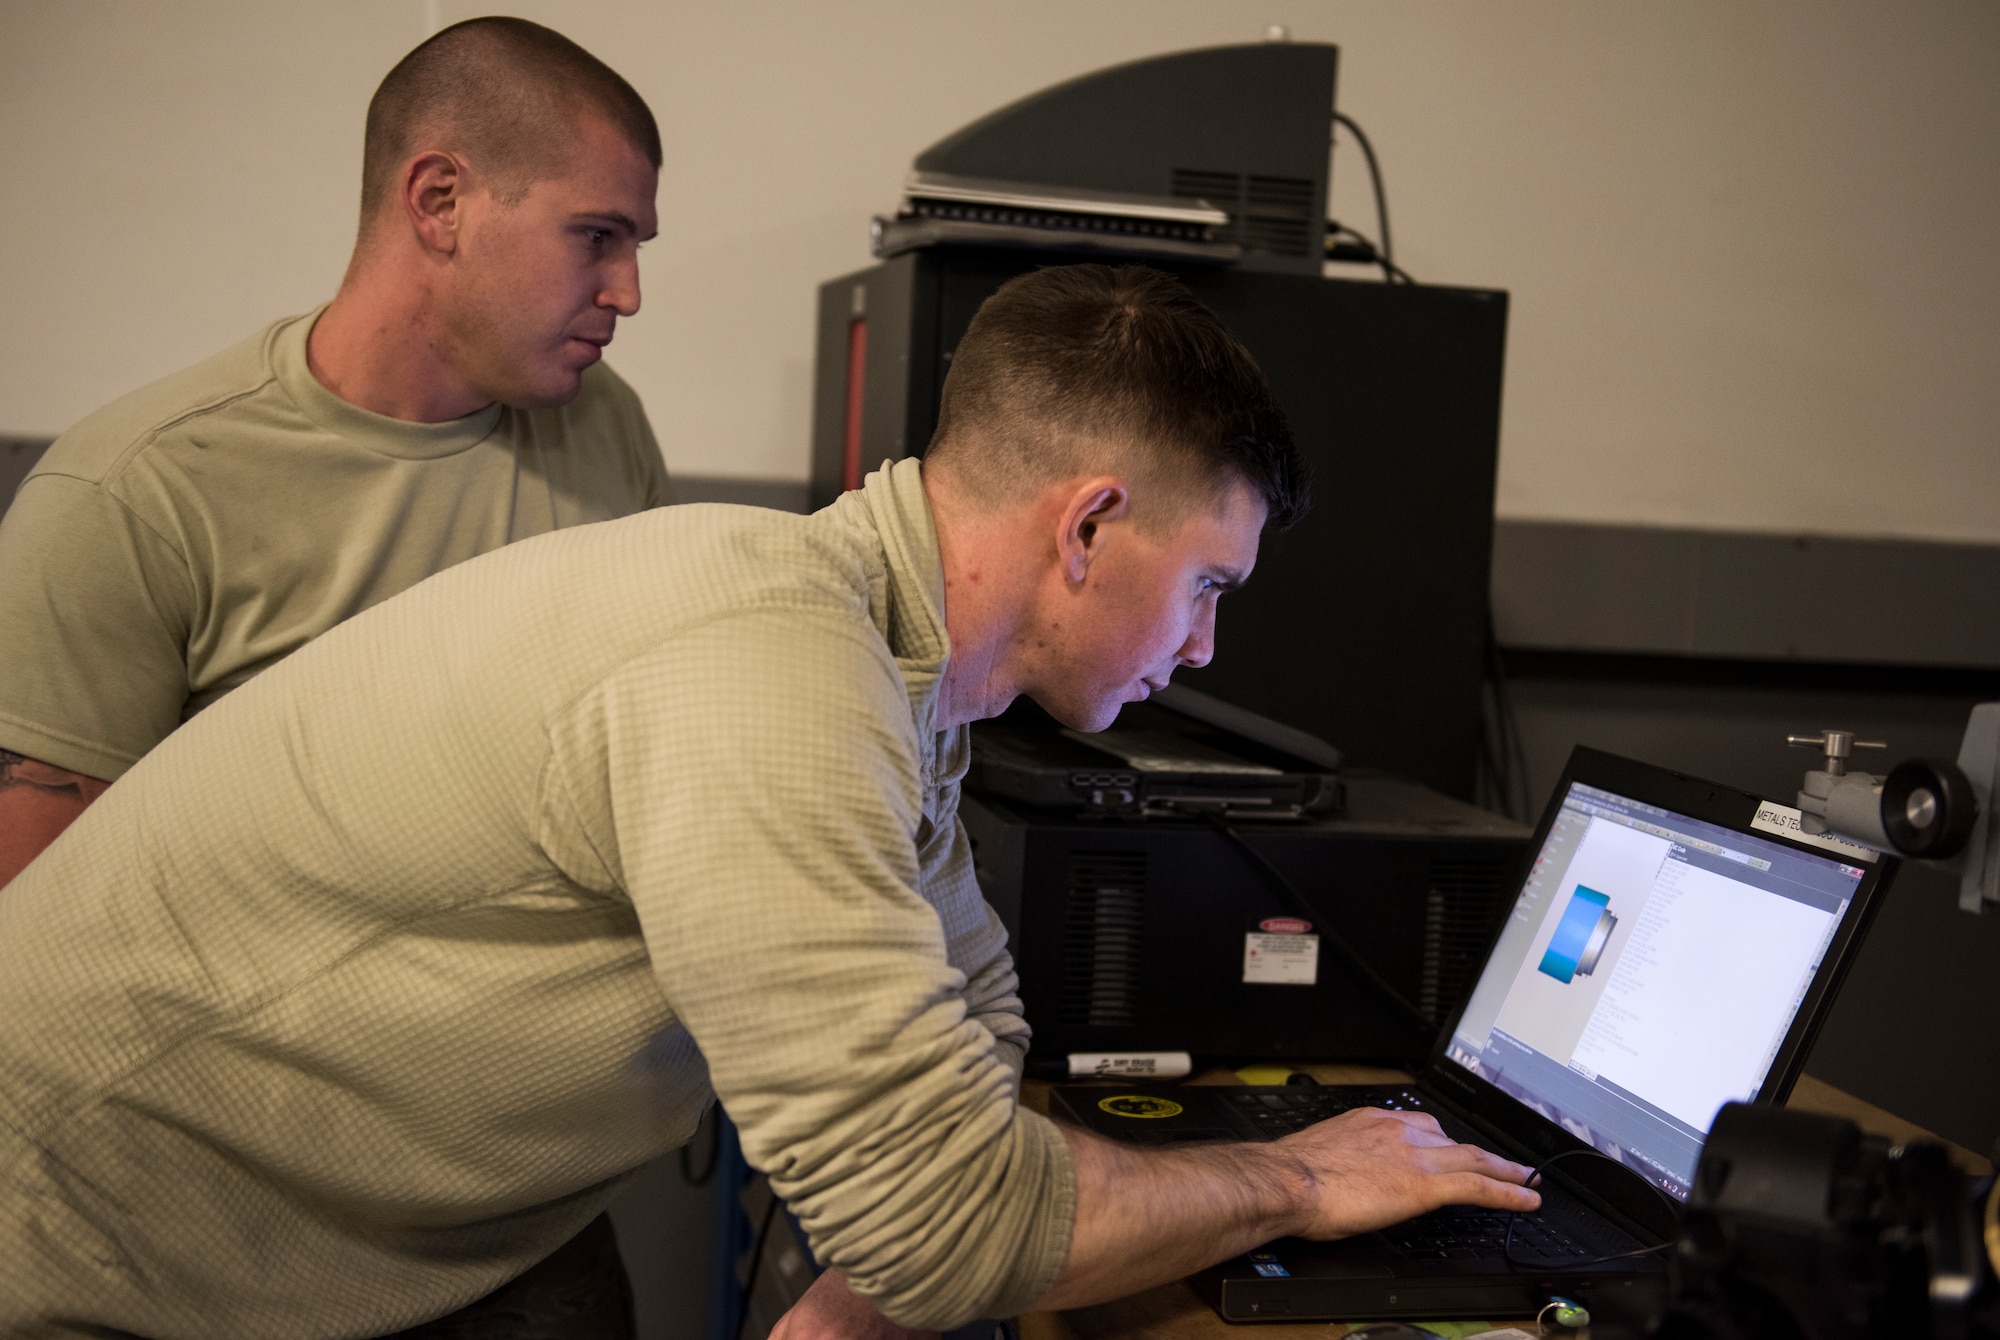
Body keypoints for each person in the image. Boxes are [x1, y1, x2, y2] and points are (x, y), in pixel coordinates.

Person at [0, 265, 1538, 1339]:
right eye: (1206, 585)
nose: (1206, 645)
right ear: (1089, 528)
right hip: (121, 1235)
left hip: (406, 1211)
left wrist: (898, 1266)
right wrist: (1296, 1181)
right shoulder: (773, 671)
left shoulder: (881, 655)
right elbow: (945, 1216)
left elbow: (974, 1015)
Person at [0, 16, 671, 889]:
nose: (628, 292)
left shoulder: (604, 427)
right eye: (595, 237)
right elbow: (32, 942)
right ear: (439, 202)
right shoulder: (132, 493)